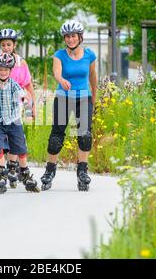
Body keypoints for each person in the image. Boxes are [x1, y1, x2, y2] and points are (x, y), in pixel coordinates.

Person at [40, 20, 97, 192]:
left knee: (85, 135)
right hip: (63, 97)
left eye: (73, 36)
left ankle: (82, 172)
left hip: (84, 97)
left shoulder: (89, 55)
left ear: (80, 37)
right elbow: (56, 72)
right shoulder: (59, 55)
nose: (70, 39)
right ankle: (50, 170)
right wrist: (61, 80)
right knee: (56, 137)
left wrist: (94, 96)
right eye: (67, 36)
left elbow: (93, 76)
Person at [0, 53, 40, 195]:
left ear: (10, 71)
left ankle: (25, 173)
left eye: (6, 70)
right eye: (0, 69)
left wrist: (30, 111)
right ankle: (1, 174)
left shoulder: (14, 85)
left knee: (20, 149)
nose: (3, 72)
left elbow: (23, 97)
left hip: (14, 121)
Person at [0, 29, 36, 185]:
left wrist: (32, 106)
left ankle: (13, 167)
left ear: (14, 45)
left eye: (9, 44)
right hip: (0, 108)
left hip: (17, 107)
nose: (6, 47)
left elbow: (28, 86)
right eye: (3, 45)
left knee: (16, 140)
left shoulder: (22, 63)